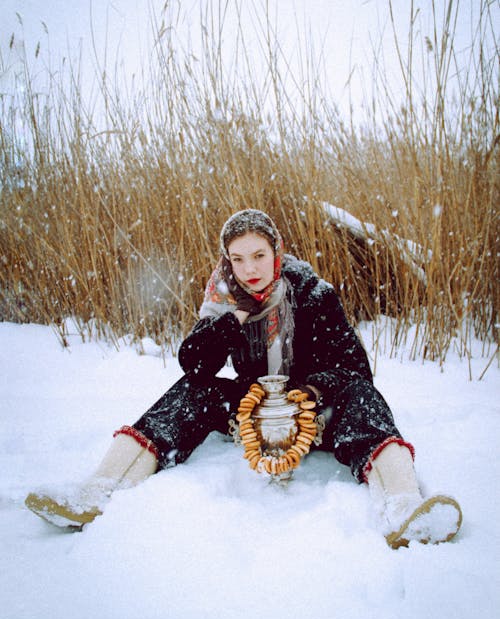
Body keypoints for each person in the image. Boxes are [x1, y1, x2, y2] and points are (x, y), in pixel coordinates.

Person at [26, 209, 462, 548]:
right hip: (253, 413)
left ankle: (403, 508)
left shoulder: (314, 293)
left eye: (259, 256)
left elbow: (354, 367)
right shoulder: (223, 299)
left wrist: (308, 392)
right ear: (227, 261)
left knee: (363, 396)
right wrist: (235, 316)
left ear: (277, 251)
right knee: (193, 391)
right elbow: (193, 363)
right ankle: (99, 490)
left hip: (314, 411)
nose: (249, 269)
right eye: (237, 259)